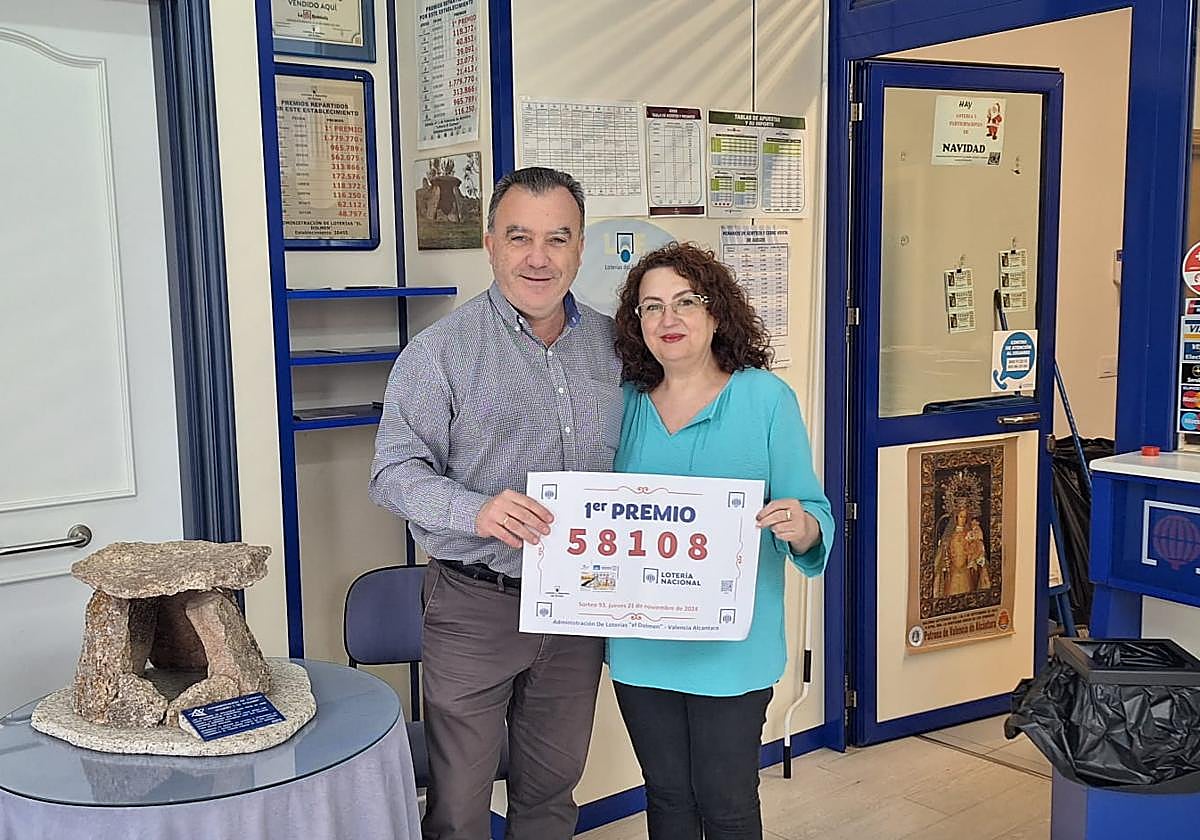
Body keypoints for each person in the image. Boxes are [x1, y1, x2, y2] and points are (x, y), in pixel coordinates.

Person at [369, 166, 623, 840]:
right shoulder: (439, 354)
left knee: (551, 794)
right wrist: (471, 509)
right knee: (457, 808)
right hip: (475, 607)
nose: (538, 258)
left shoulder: (618, 349)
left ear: (579, 246)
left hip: (579, 604)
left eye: (556, 238)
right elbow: (393, 472)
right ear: (490, 244)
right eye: (519, 237)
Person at [608, 242, 834, 840]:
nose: (668, 320)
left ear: (717, 312)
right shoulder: (622, 405)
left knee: (727, 801)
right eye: (650, 307)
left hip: (732, 648)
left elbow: (811, 511)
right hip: (641, 643)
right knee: (666, 798)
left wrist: (801, 524)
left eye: (686, 301)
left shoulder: (764, 399)